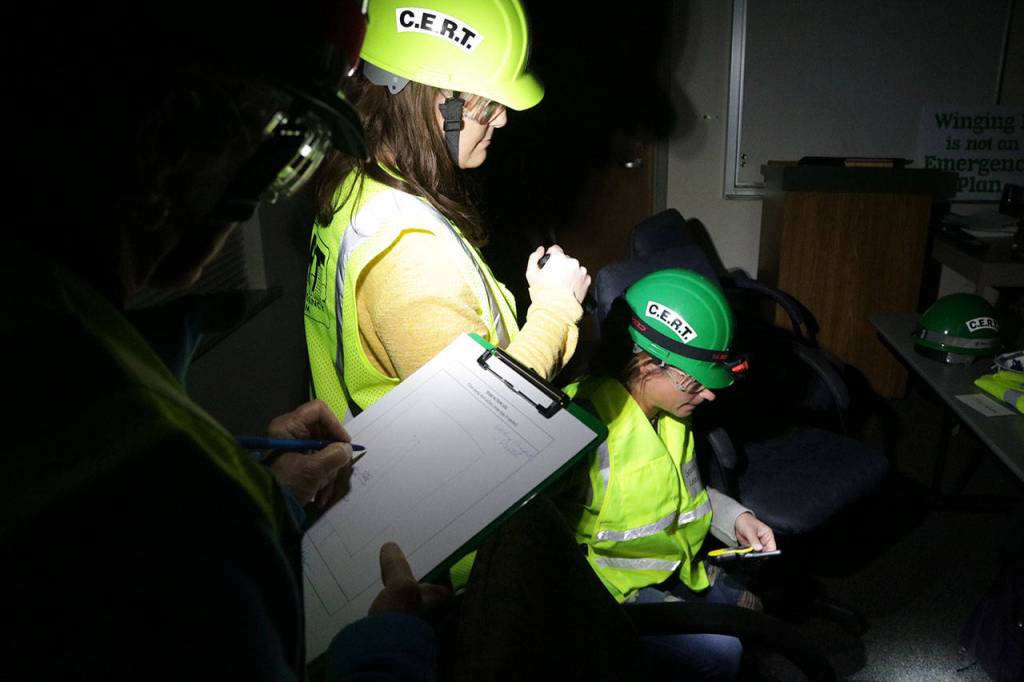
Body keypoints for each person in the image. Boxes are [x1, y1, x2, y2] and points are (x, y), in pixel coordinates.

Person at [2, 1, 448, 679]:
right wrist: (387, 646)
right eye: (279, 147)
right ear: (174, 138)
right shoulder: (187, 507)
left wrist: (250, 473)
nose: (268, 193)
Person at [304, 0, 591, 419]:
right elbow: (487, 419)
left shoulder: (358, 182)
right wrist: (555, 307)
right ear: (432, 100)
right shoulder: (408, 251)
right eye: (487, 103)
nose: (502, 120)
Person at [554, 268, 777, 681]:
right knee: (722, 653)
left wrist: (735, 518)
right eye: (695, 382)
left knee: (755, 613)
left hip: (677, 568)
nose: (709, 394)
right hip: (612, 598)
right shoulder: (579, 427)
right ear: (645, 364)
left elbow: (678, 491)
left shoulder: (671, 413)